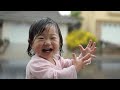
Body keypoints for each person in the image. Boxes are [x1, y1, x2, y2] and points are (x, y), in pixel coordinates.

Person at [26, 17, 96, 79]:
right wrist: (75, 68)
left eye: (52, 38)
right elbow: (55, 76)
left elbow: (69, 63)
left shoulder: (55, 58)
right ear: (31, 43)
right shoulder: (36, 64)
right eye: (41, 38)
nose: (47, 42)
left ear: (60, 42)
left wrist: (82, 57)